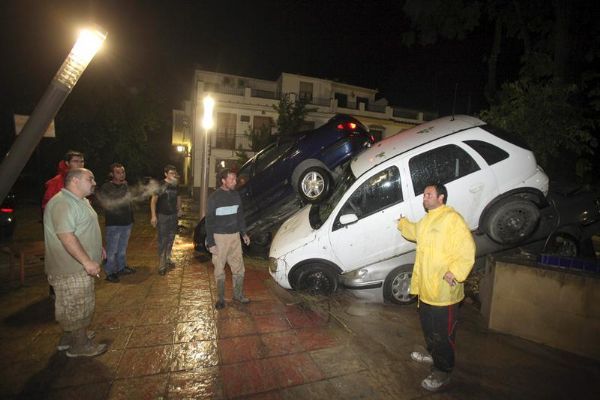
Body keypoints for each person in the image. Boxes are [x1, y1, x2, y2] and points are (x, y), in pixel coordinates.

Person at [397, 183, 475, 392]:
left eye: (429, 194)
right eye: (424, 194)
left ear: (441, 197)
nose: (425, 197)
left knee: (444, 334)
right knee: (430, 330)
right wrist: (402, 223)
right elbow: (414, 231)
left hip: (444, 293)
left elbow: (467, 248)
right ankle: (433, 354)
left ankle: (443, 370)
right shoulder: (427, 220)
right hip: (426, 291)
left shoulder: (452, 219)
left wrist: (456, 272)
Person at [44, 168, 107, 358]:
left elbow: (85, 228)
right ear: (75, 181)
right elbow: (66, 236)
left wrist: (99, 248)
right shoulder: (63, 203)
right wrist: (87, 261)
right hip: (71, 268)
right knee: (77, 306)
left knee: (74, 303)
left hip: (78, 265)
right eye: (90, 178)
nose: (94, 182)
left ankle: (68, 338)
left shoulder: (80, 201)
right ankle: (79, 346)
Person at [206, 168, 251, 310]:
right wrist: (211, 243)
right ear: (223, 181)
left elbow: (240, 217)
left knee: (239, 267)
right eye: (231, 179)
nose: (235, 181)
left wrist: (244, 234)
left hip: (235, 237)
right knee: (219, 268)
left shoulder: (236, 195)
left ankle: (238, 294)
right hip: (219, 238)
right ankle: (220, 299)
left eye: (235, 179)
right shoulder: (214, 198)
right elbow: (209, 222)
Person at [97, 163, 136, 283]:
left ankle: (121, 267)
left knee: (122, 248)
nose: (121, 174)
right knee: (112, 250)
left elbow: (129, 201)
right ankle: (110, 272)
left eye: (123, 172)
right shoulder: (106, 187)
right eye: (118, 172)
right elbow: (105, 203)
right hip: (114, 224)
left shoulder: (126, 185)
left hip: (127, 222)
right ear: (112, 174)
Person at [150, 165, 181, 276]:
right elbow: (153, 201)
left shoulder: (175, 185)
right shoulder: (160, 185)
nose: (173, 175)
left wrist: (179, 209)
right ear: (165, 174)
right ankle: (162, 264)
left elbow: (178, 197)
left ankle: (167, 258)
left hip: (173, 215)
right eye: (171, 173)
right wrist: (153, 216)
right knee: (162, 239)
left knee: (171, 237)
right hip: (162, 216)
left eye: (174, 173)